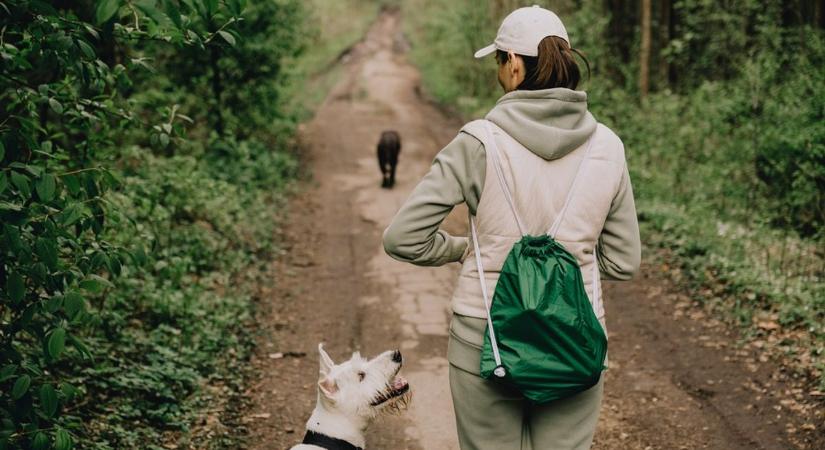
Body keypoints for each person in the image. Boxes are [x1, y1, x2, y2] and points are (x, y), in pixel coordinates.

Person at [382, 5, 641, 450]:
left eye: (499, 61)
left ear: (515, 64)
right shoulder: (609, 147)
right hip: (574, 339)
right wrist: (567, 260)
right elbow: (623, 261)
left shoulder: (478, 141)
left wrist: (465, 248)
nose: (499, 72)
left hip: (485, 339)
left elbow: (403, 238)